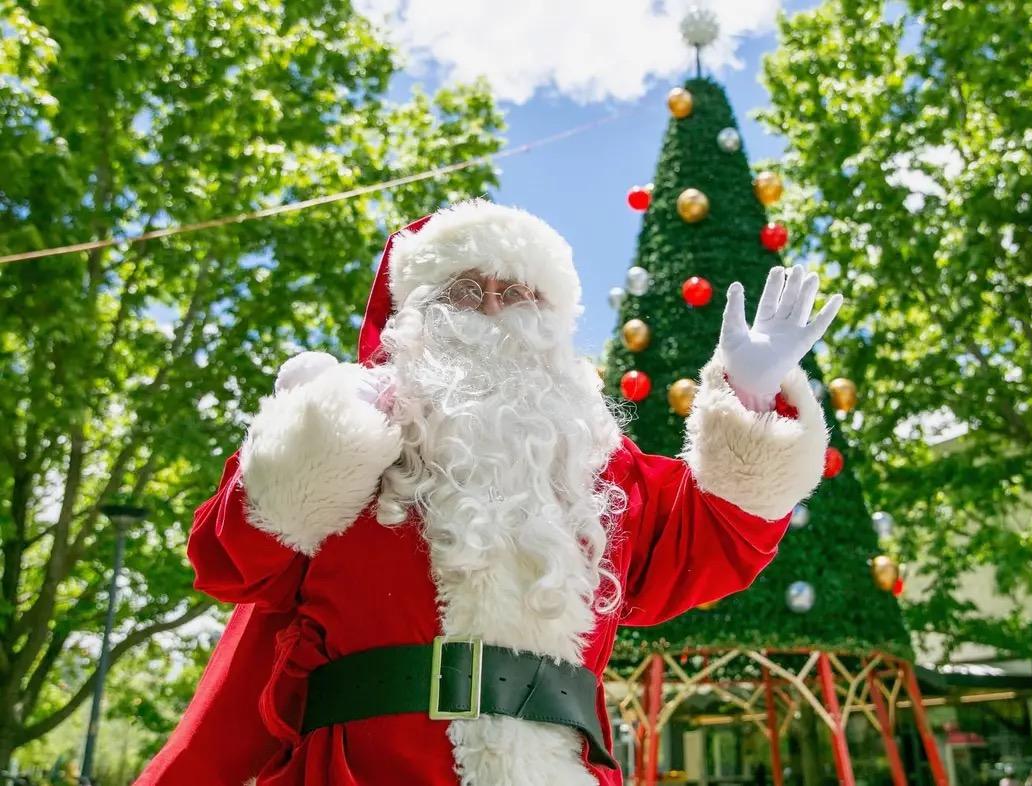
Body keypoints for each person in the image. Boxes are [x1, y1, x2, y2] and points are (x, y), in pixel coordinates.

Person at [138, 200, 840, 786]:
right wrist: (309, 438)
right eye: (466, 292)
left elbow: (714, 539)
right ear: (416, 314)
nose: (494, 309)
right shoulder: (351, 440)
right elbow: (229, 560)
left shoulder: (600, 468)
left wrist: (749, 401)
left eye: (518, 293)